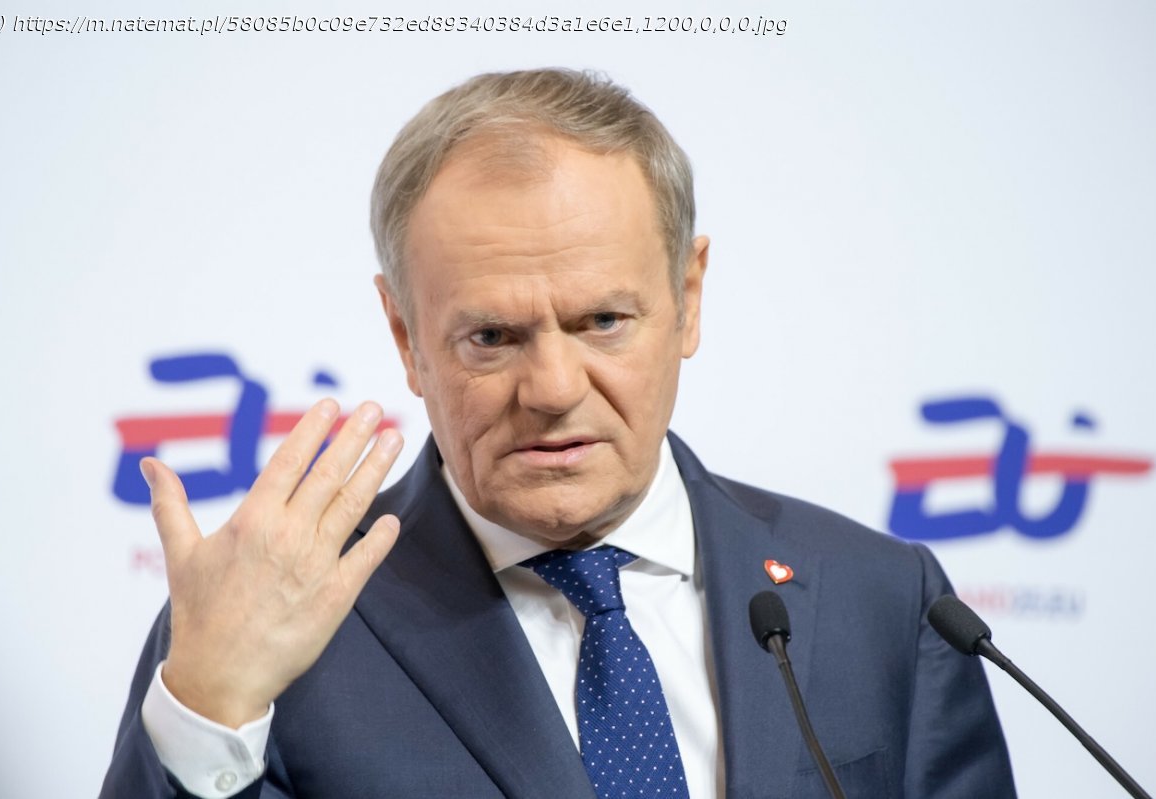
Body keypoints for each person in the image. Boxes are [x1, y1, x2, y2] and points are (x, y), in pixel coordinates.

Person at [102, 68, 1016, 798]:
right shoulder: (265, 621)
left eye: (603, 321)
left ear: (688, 297)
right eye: (491, 337)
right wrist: (208, 707)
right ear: (406, 337)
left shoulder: (878, 597)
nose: (552, 389)